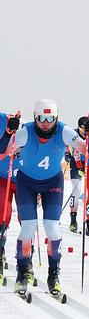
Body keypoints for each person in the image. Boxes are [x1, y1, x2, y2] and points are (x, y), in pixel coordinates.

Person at [0, 99, 88, 297]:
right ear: (35, 117)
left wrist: (88, 135)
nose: (46, 123)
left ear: (56, 118)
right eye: (42, 118)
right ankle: (23, 272)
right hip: (27, 182)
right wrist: (8, 133)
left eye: (50, 118)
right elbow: (3, 151)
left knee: (52, 228)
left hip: (53, 183)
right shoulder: (25, 132)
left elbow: (87, 151)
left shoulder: (64, 131)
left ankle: (53, 274)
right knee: (28, 227)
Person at [0, 111, 21, 274]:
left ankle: (25, 258)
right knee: (2, 217)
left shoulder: (27, 129)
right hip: (2, 179)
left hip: (23, 182)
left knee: (27, 220)